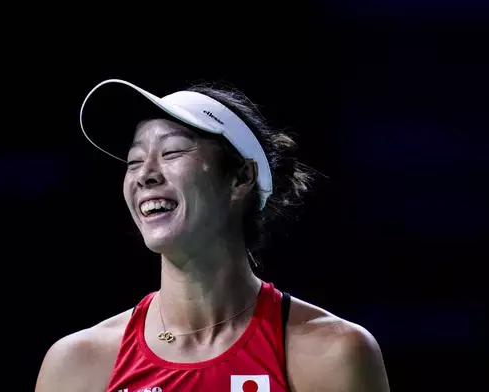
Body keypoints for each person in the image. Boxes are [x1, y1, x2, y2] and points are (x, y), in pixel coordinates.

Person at [35, 79, 390, 392]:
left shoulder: (333, 353)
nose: (145, 175)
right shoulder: (77, 365)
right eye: (133, 161)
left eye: (171, 152)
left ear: (240, 179)